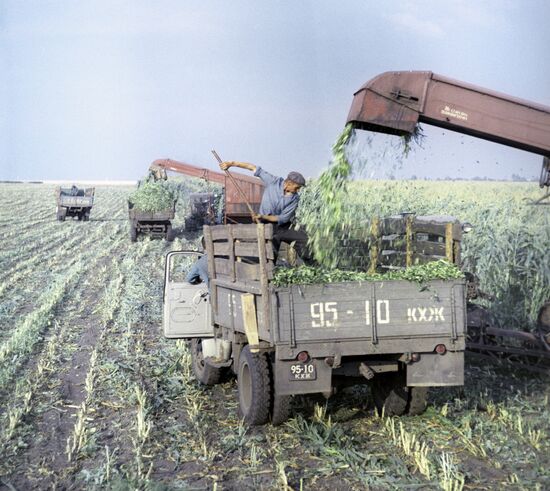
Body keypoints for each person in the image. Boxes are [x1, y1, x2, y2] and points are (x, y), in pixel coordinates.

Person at [219, 161, 309, 261]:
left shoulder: (295, 198)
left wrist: (263, 216)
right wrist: (230, 164)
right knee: (270, 251)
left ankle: (312, 265)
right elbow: (252, 167)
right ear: (289, 183)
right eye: (297, 187)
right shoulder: (273, 181)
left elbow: (282, 218)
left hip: (281, 226)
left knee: (302, 239)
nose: (298, 190)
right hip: (263, 224)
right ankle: (267, 267)